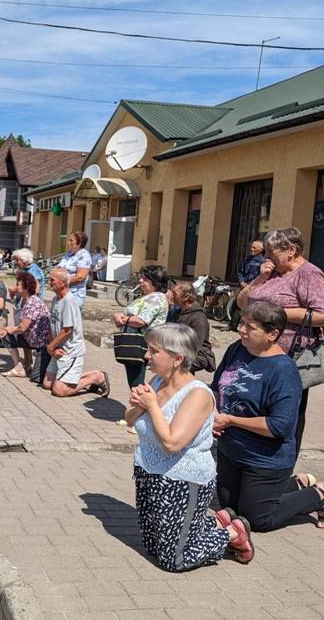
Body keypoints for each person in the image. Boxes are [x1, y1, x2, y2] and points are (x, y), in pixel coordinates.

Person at [126, 323, 254, 570]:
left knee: (174, 560)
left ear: (176, 359)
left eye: (153, 351)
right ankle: (211, 521)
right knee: (152, 546)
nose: (146, 356)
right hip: (148, 472)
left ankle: (231, 533)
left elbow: (172, 443)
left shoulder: (197, 395)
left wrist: (152, 406)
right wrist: (140, 405)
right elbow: (129, 419)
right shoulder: (156, 381)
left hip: (182, 479)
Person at [213, 301, 324, 531]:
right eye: (242, 323)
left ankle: (318, 494)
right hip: (230, 451)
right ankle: (297, 483)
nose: (241, 330)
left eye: (249, 327)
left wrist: (231, 420)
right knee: (230, 509)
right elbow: (216, 386)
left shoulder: (284, 370)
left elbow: (280, 426)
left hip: (264, 458)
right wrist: (213, 414)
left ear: (272, 334)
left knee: (257, 520)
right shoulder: (237, 348)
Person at [236, 227, 324, 462]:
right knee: (255, 403)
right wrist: (260, 278)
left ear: (291, 250)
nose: (267, 257)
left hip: (288, 357)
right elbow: (242, 303)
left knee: (284, 412)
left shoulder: (309, 274)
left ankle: (281, 464)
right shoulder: (271, 272)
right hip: (255, 353)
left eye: (271, 252)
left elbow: (321, 314)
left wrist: (276, 314)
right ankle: (250, 451)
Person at [43, 268, 109, 397]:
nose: (49, 282)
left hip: (71, 351)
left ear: (63, 282)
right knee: (47, 384)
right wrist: (53, 346)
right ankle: (75, 376)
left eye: (52, 280)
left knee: (59, 391)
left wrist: (51, 346)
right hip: (59, 348)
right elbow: (52, 324)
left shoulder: (69, 301)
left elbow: (67, 331)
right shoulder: (56, 300)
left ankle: (96, 377)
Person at [113, 265, 170, 389]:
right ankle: (140, 404)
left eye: (145, 279)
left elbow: (141, 320)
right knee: (133, 379)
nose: (140, 281)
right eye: (141, 278)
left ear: (155, 282)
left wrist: (123, 319)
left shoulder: (156, 298)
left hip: (140, 344)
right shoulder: (148, 296)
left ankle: (141, 405)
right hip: (135, 342)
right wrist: (120, 316)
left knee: (136, 381)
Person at [0, 272, 50, 378]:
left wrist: (9, 329)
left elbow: (23, 327)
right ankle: (23, 366)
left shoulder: (32, 302)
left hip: (40, 341)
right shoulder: (25, 300)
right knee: (7, 333)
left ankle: (22, 367)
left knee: (7, 334)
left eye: (18, 284)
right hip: (33, 337)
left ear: (26, 287)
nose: (16, 287)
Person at [168, 282, 215, 374]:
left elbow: (195, 345)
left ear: (186, 298)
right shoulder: (177, 311)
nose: (171, 296)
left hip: (199, 354)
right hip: (180, 351)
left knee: (171, 365)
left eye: (175, 294)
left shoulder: (198, 318)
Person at [56, 232, 92, 308]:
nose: (68, 242)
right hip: (62, 293)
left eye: (71, 240)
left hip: (74, 295)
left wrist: (62, 282)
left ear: (79, 243)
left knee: (71, 318)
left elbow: (80, 277)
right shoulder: (68, 254)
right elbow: (60, 268)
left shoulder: (84, 256)